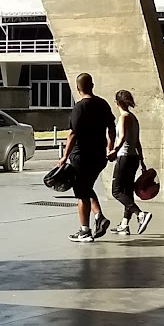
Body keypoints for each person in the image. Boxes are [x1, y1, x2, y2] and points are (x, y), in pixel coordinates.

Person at [62, 72, 115, 242]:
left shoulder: (79, 107)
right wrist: (110, 148)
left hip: (81, 156)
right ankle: (99, 217)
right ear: (92, 85)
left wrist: (64, 156)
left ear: (78, 89)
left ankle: (84, 230)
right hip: (99, 156)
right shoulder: (103, 104)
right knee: (87, 187)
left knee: (82, 193)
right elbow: (111, 128)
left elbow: (73, 134)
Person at [108, 89, 152, 236]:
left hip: (124, 157)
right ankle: (124, 225)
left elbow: (122, 137)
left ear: (117, 102)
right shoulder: (134, 118)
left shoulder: (124, 117)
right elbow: (137, 141)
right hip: (134, 158)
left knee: (116, 191)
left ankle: (141, 214)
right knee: (127, 192)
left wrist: (115, 150)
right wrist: (142, 160)